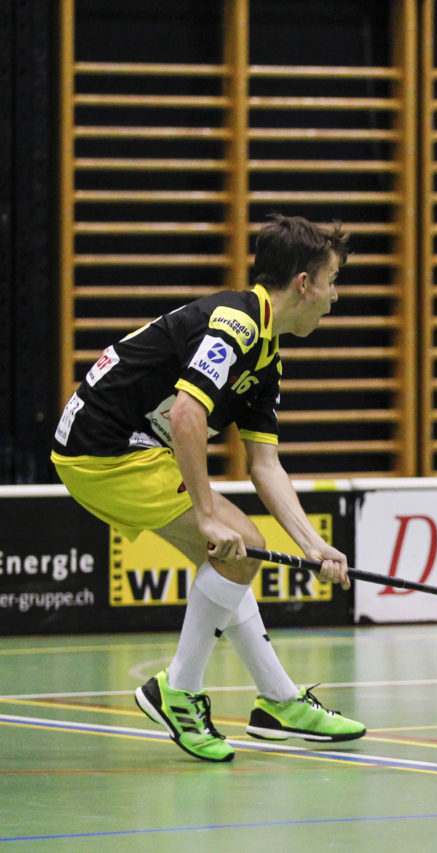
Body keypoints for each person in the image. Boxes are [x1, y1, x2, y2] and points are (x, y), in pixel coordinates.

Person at [51, 214, 367, 762]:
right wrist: (204, 513)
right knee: (235, 542)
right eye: (332, 280)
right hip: (104, 448)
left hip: (124, 447)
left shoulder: (265, 355)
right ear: (303, 284)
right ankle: (178, 689)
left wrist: (313, 545)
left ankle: (278, 703)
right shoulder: (237, 324)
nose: (334, 296)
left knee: (234, 556)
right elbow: (187, 416)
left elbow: (265, 464)